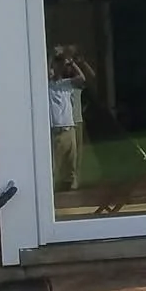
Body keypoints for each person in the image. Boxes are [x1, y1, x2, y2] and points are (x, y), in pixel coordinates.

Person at [49, 46, 90, 191]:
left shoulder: (66, 84)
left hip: (69, 129)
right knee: (53, 166)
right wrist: (51, 59)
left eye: (60, 65)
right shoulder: (46, 86)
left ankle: (69, 191)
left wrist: (71, 63)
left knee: (70, 166)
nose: (58, 68)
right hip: (55, 131)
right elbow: (47, 72)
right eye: (57, 65)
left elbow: (82, 78)